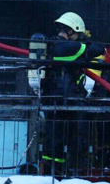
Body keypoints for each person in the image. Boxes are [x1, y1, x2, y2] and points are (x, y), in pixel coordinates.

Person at [41, 12, 104, 175]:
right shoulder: (68, 47)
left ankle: (53, 175)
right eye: (78, 34)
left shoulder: (52, 45)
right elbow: (97, 49)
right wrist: (86, 43)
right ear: (71, 31)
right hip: (63, 103)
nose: (78, 37)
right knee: (60, 142)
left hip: (53, 102)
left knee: (55, 143)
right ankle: (57, 176)